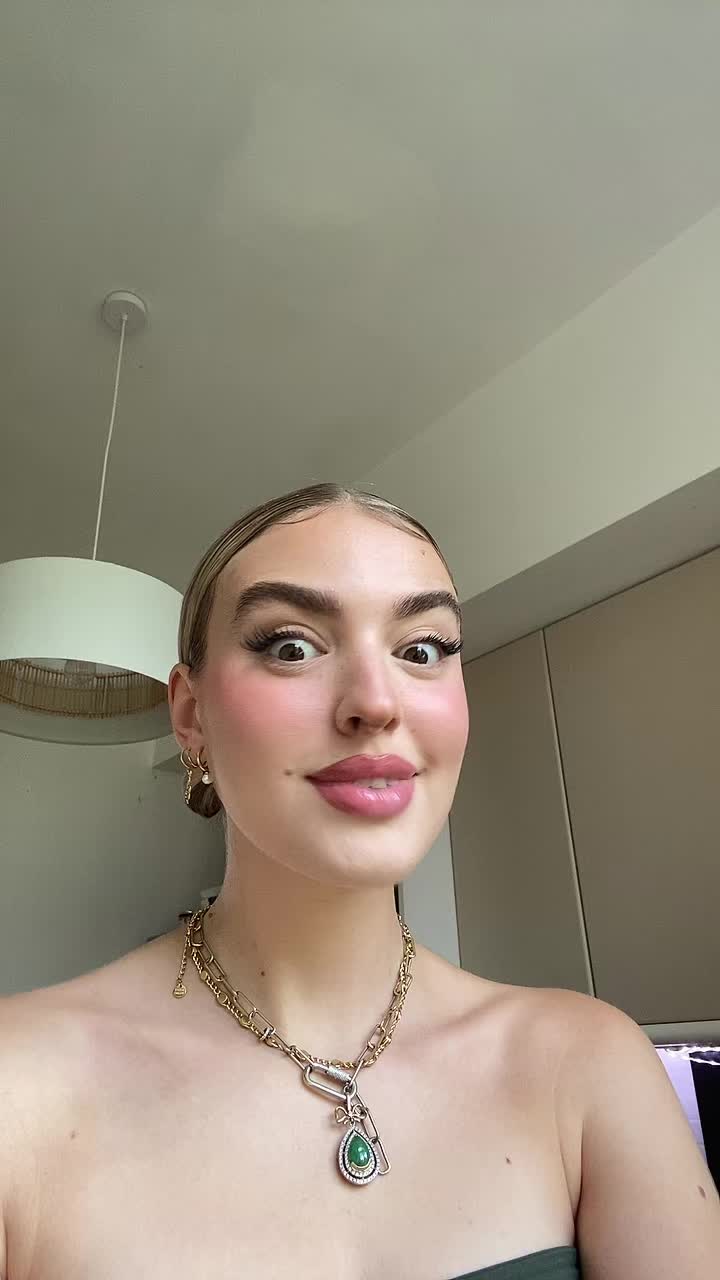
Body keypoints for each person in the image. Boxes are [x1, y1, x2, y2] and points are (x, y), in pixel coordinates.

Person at [1, 482, 718, 1280]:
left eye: (422, 649)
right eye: (291, 646)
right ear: (192, 716)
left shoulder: (589, 1065)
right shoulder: (18, 1086)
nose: (376, 704)